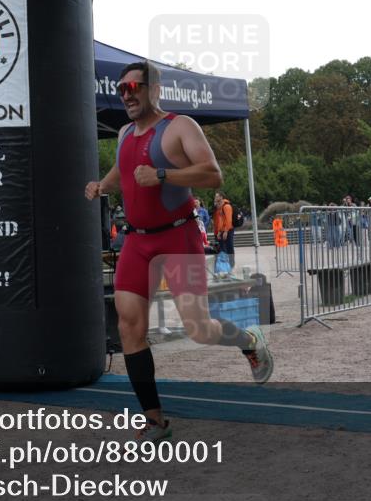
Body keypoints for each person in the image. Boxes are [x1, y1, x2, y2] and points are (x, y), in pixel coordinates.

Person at [84, 60, 272, 443]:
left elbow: (212, 173)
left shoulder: (180, 126)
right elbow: (124, 171)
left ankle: (250, 342)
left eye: (134, 88)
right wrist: (101, 186)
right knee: (129, 325)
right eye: (121, 90)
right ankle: (155, 421)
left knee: (198, 329)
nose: (127, 95)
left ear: (154, 89)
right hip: (137, 241)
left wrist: (164, 175)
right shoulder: (123, 133)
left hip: (177, 237)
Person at [213, 191, 236, 269]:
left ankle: (231, 264)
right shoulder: (220, 207)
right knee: (224, 248)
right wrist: (219, 232)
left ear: (221, 197)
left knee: (229, 248)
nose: (215, 198)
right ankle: (226, 265)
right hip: (222, 231)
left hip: (228, 230)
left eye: (217, 196)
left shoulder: (226, 206)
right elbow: (220, 221)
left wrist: (226, 231)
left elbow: (228, 220)